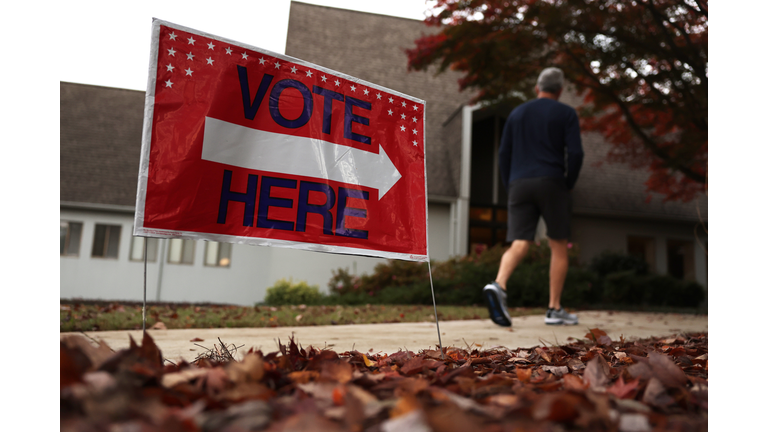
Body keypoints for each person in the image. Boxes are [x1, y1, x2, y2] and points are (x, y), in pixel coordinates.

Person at [483, 67, 584, 327]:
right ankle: (554, 308)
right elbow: (575, 154)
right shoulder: (566, 113)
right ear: (560, 91)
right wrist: (568, 184)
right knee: (558, 244)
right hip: (552, 182)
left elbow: (503, 154)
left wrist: (511, 185)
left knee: (519, 242)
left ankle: (499, 284)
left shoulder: (517, 113)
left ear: (537, 88)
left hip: (519, 183)